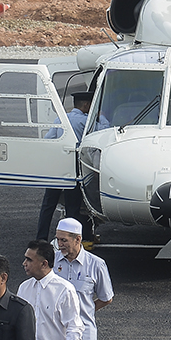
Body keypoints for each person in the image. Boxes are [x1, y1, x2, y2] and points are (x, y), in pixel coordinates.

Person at [37, 92, 109, 241]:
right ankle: (67, 239)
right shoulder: (85, 122)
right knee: (73, 208)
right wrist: (101, 115)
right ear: (86, 105)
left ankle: (41, 238)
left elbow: (48, 139)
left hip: (57, 167)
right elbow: (104, 131)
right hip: (74, 169)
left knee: (48, 205)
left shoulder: (61, 119)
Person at [53, 218, 114, 340]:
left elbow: (106, 297)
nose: (60, 245)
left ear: (78, 239)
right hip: (56, 337)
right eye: (58, 240)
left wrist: (82, 312)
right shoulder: (52, 262)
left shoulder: (96, 264)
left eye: (64, 240)